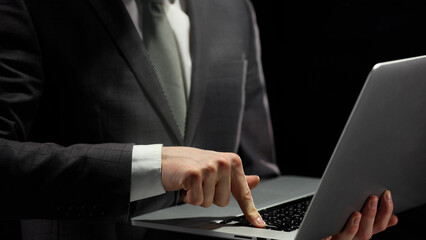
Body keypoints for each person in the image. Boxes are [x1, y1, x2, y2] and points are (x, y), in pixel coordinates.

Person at [0, 0, 396, 239]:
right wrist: (154, 165)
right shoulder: (31, 6)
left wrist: (305, 233)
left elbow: (259, 175)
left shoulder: (232, 8)